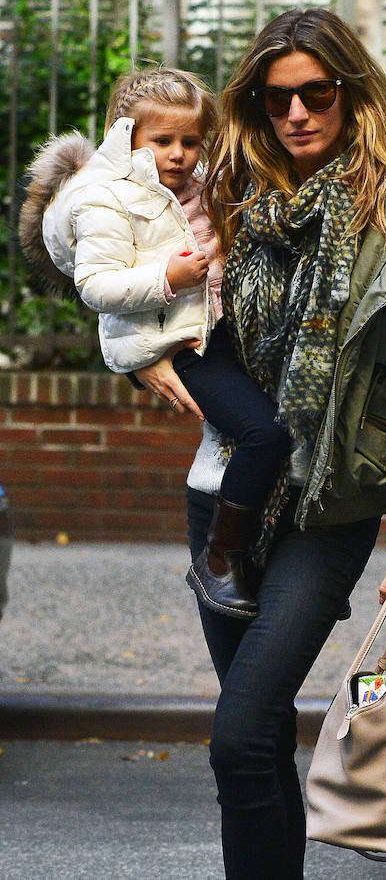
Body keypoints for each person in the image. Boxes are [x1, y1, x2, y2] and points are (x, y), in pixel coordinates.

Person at [126, 8, 386, 879]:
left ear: (352, 92)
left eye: (316, 93)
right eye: (275, 99)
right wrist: (139, 357)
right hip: (221, 494)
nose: (297, 113)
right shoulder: (223, 198)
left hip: (327, 507)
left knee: (236, 731)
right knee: (254, 739)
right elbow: (109, 266)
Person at [19, 66, 291, 620]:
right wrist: (168, 277)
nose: (179, 154)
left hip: (218, 332)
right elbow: (95, 285)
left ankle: (285, 571)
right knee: (265, 434)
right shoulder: (107, 199)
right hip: (178, 343)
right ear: (126, 136)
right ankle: (219, 558)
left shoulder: (202, 182)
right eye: (162, 140)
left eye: (191, 141)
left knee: (277, 426)